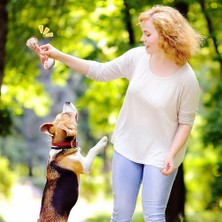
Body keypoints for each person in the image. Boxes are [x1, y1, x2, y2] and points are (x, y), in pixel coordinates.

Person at [40, 5, 203, 222]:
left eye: (147, 34)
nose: (142, 38)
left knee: (154, 215)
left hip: (162, 153)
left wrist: (171, 155)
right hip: (128, 146)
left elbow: (186, 123)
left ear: (166, 35)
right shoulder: (137, 58)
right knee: (120, 215)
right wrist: (58, 55)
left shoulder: (186, 79)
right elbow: (99, 71)